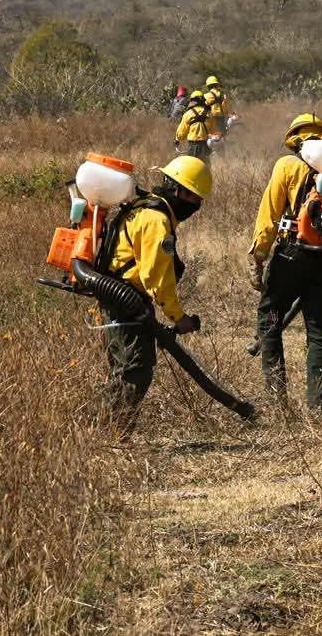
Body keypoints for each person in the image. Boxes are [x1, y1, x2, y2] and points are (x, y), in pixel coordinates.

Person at [248, 113, 322, 414]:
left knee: (269, 318)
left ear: (295, 140)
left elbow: (269, 216)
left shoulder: (287, 165)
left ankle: (277, 401)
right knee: (318, 330)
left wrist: (258, 257)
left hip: (291, 255)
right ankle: (317, 407)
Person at [99, 155, 212, 429]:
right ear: (178, 190)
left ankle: (107, 431)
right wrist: (178, 318)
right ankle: (111, 434)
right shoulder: (156, 220)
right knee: (135, 369)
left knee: (125, 368)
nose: (196, 206)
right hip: (125, 300)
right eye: (194, 197)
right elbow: (157, 278)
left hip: (123, 298)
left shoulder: (148, 207)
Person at [175, 90, 212, 161]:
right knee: (205, 165)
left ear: (192, 101)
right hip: (205, 145)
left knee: (192, 165)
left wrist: (177, 139)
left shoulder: (188, 114)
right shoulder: (209, 113)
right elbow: (214, 130)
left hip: (193, 146)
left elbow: (181, 134)